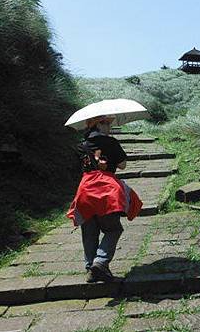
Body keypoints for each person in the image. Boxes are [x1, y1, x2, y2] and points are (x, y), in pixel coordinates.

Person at [67, 115, 142, 283]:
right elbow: (122, 165)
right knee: (113, 229)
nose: (110, 126)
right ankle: (100, 262)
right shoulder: (111, 142)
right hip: (107, 190)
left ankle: (91, 269)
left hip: (85, 190)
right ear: (97, 125)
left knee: (89, 232)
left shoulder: (81, 146)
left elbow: (76, 169)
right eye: (106, 123)